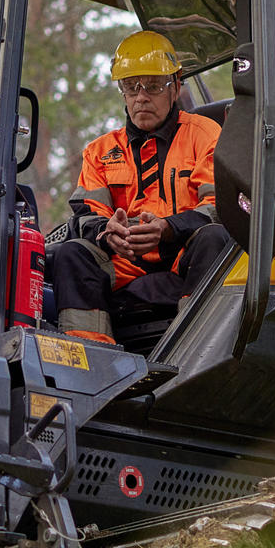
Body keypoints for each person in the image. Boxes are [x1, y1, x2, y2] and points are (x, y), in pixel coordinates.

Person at [50, 30, 231, 343]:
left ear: (175, 87)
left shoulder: (205, 134)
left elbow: (217, 206)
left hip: (183, 259)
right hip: (124, 265)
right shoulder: (100, 151)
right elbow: (85, 216)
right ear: (122, 91)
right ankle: (90, 359)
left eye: (153, 86)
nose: (141, 96)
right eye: (131, 87)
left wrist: (168, 228)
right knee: (72, 254)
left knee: (215, 237)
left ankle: (195, 344)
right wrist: (107, 232)